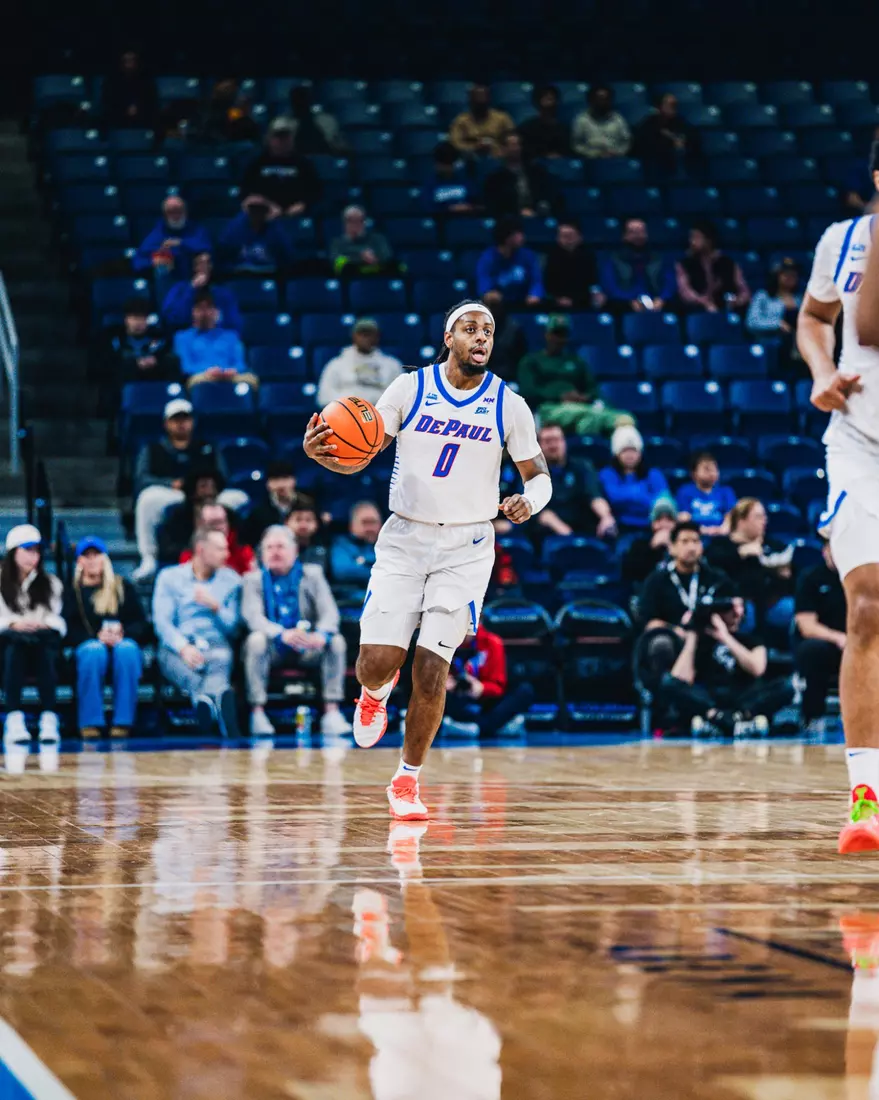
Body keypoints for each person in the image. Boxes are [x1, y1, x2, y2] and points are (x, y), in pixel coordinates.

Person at [303, 298, 550, 821]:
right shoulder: (409, 388)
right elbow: (360, 452)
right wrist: (323, 455)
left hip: (468, 548)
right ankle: (374, 692)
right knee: (376, 662)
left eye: (487, 330)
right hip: (405, 540)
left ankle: (407, 779)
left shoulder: (509, 404)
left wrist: (531, 500)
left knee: (434, 666)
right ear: (448, 338)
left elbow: (539, 474)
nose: (481, 337)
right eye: (469, 328)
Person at [799, 147, 879, 850]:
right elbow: (812, 318)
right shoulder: (844, 239)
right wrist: (822, 370)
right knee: (865, 603)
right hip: (857, 440)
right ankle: (865, 799)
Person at [242, 525, 351, 737]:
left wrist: (320, 635)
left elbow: (330, 613)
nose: (275, 552)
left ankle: (332, 712)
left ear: (295, 551)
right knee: (256, 640)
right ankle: (257, 712)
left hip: (308, 644)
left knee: (336, 641)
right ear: (262, 553)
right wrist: (281, 633)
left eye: (280, 547)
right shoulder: (252, 579)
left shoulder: (313, 574)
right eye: (269, 547)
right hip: (273, 645)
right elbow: (253, 617)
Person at [132, 398, 247, 580]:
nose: (181, 424)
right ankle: (149, 558)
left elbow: (223, 475)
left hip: (209, 494)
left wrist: (210, 486)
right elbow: (142, 479)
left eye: (185, 419)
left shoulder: (207, 447)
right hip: (172, 494)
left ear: (193, 421)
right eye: (176, 420)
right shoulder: (153, 449)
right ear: (166, 423)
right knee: (147, 498)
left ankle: (233, 552)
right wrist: (170, 483)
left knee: (238, 498)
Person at [661, 593, 793, 736]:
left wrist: (725, 637)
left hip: (745, 698)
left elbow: (757, 669)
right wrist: (692, 635)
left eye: (740, 608)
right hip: (711, 699)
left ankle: (730, 719)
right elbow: (680, 679)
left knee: (786, 686)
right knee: (668, 683)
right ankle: (723, 718)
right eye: (731, 609)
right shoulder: (702, 640)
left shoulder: (752, 639)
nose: (737, 614)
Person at [153, 529, 242, 737]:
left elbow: (234, 627)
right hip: (177, 644)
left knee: (220, 660)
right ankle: (217, 701)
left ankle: (204, 703)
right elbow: (162, 622)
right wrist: (183, 647)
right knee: (174, 661)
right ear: (201, 550)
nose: (227, 554)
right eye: (220, 549)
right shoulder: (169, 577)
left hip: (216, 642)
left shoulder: (232, 580)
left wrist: (216, 607)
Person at [62, 537, 147, 739]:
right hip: (88, 646)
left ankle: (123, 722)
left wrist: (122, 633)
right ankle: (90, 722)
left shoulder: (122, 586)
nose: (92, 560)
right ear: (79, 561)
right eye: (86, 556)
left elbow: (141, 623)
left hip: (120, 642)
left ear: (105, 558)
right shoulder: (71, 592)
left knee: (127, 650)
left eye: (96, 555)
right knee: (93, 650)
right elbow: (67, 628)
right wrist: (96, 637)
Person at [637, 519, 733, 690]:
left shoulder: (716, 578)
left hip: (710, 636)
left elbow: (733, 610)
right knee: (661, 644)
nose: (691, 547)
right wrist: (679, 632)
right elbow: (650, 622)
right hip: (675, 638)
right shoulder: (657, 580)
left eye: (696, 541)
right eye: (685, 542)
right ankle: (665, 698)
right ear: (672, 548)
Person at [0, 525, 65, 744]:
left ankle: (49, 716)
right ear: (13, 552)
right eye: (27, 550)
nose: (33, 556)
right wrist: (13, 623)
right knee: (15, 643)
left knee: (42, 644)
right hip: (7, 647)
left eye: (36, 551)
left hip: (41, 645)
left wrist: (41, 623)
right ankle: (14, 717)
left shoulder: (51, 583)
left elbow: (58, 618)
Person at [517, 315, 634, 436]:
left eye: (563, 335)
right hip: (549, 408)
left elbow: (593, 389)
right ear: (547, 335)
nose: (559, 339)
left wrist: (584, 397)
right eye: (556, 334)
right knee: (591, 415)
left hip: (581, 407)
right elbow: (528, 392)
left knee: (623, 420)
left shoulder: (576, 361)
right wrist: (560, 396)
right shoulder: (532, 361)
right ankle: (612, 424)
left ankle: (591, 444)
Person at [706, 498, 794, 634]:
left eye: (764, 516)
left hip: (771, 602)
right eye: (758, 517)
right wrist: (741, 553)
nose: (764, 521)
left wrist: (784, 574)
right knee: (748, 612)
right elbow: (712, 565)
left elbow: (788, 569)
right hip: (738, 603)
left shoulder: (771, 544)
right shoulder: (721, 545)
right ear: (741, 520)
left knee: (793, 608)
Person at [441, 623, 535, 738]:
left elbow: (498, 687)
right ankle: (498, 727)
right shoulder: (444, 642)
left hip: (487, 699)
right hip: (459, 700)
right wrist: (446, 683)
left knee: (525, 691)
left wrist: (481, 688)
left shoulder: (492, 642)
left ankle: (471, 728)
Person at [795, 541, 847, 729]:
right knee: (813, 650)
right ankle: (813, 716)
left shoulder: (860, 578)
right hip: (828, 643)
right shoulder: (811, 578)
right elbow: (806, 626)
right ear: (825, 551)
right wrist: (839, 638)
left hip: (860, 643)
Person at [532, 424, 616, 537]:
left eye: (556, 440)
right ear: (539, 446)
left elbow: (595, 496)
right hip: (551, 531)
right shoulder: (532, 472)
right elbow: (539, 511)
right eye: (547, 441)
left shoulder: (582, 466)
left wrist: (606, 517)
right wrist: (566, 533)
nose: (553, 445)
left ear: (564, 442)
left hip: (583, 526)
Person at [172, 290, 258, 390]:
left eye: (209, 308)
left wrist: (230, 371)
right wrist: (208, 371)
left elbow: (240, 363)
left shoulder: (231, 336)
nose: (204, 313)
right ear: (193, 312)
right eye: (200, 308)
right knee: (195, 381)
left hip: (230, 376)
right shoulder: (182, 337)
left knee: (252, 379)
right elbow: (186, 366)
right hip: (202, 377)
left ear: (217, 311)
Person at [317, 317, 405, 409]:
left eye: (369, 334)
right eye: (361, 334)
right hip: (345, 415)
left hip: (380, 413)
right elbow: (323, 397)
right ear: (354, 336)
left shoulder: (392, 365)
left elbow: (400, 397)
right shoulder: (336, 365)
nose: (365, 338)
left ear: (377, 336)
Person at [239, 119, 322, 217]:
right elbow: (246, 191)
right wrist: (265, 205)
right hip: (264, 215)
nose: (282, 141)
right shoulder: (257, 163)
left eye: (286, 137)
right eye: (278, 137)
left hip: (296, 216)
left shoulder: (303, 164)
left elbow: (315, 192)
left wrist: (304, 204)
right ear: (269, 138)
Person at [598, 426, 671, 531]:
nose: (630, 455)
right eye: (625, 450)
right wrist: (642, 495)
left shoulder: (654, 474)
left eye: (633, 450)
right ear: (616, 453)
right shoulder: (607, 474)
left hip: (651, 526)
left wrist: (628, 495)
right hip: (620, 526)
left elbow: (664, 501)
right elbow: (613, 498)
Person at [103, 298, 178, 399]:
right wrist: (135, 363)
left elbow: (166, 357)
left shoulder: (159, 339)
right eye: (134, 318)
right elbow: (109, 365)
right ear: (126, 320)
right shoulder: (115, 340)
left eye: (142, 318)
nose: (138, 323)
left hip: (154, 379)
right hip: (124, 385)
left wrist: (156, 360)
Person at [600, 218, 676, 314]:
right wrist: (630, 300)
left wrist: (662, 299)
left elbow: (669, 282)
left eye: (641, 232)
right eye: (633, 232)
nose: (638, 236)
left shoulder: (659, 259)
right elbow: (611, 287)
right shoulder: (613, 260)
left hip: (656, 303)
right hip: (624, 304)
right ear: (625, 236)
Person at [132, 196, 211, 286]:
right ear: (165, 214)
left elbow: (207, 249)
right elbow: (138, 263)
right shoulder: (156, 234)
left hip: (194, 280)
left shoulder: (197, 230)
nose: (176, 215)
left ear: (185, 212)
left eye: (179, 211)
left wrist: (181, 243)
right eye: (171, 212)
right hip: (167, 282)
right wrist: (154, 261)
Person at [676, 220, 751, 313]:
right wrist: (704, 302)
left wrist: (737, 301)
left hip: (727, 310)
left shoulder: (729, 263)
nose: (692, 242)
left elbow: (744, 291)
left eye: (697, 237)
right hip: (698, 311)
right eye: (691, 237)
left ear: (708, 240)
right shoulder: (685, 264)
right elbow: (685, 292)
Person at [160, 252, 243, 334]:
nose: (204, 267)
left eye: (207, 263)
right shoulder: (179, 289)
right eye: (200, 263)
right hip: (188, 340)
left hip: (218, 340)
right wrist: (191, 289)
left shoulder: (224, 293)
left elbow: (235, 324)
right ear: (193, 267)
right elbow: (172, 319)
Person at [483, 131, 557, 220]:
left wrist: (537, 209)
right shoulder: (495, 177)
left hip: (537, 216)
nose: (516, 148)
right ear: (503, 149)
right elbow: (494, 205)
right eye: (512, 145)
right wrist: (517, 212)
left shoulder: (536, 172)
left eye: (518, 145)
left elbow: (548, 195)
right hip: (508, 220)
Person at [746, 257, 803, 371]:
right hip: (772, 348)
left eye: (793, 274)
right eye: (785, 274)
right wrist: (777, 324)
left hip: (799, 350)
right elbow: (751, 322)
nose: (790, 277)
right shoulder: (763, 297)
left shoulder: (801, 299)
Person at [475, 220, 544, 307]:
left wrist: (535, 294)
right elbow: (484, 284)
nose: (522, 237)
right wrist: (489, 293)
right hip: (498, 306)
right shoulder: (488, 257)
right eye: (518, 234)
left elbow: (536, 280)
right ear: (507, 237)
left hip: (523, 304)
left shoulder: (528, 255)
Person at [633, 92, 703, 178]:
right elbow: (644, 145)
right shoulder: (648, 124)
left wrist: (684, 142)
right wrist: (670, 143)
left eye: (675, 105)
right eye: (670, 105)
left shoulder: (680, 122)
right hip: (657, 164)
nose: (674, 107)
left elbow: (694, 137)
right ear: (659, 107)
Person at [217, 201, 295, 275]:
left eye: (260, 210)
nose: (256, 214)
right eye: (253, 210)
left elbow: (287, 256)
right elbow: (223, 253)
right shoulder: (236, 227)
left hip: (269, 274)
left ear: (266, 212)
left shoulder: (275, 229)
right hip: (240, 274)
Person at [179, 501, 256, 575]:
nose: (218, 527)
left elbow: (250, 579)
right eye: (212, 523)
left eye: (221, 522)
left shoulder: (243, 551)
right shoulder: (190, 554)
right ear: (200, 525)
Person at [271, 84, 346, 155]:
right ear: (292, 101)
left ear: (310, 101)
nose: (301, 103)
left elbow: (340, 147)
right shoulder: (280, 124)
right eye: (297, 100)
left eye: (304, 99)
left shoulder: (328, 121)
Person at [544, 222, 603, 311]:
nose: (568, 239)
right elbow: (547, 284)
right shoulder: (551, 257)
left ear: (580, 237)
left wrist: (596, 294)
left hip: (584, 300)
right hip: (558, 302)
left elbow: (593, 281)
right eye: (564, 236)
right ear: (558, 239)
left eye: (571, 235)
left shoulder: (588, 256)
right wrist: (557, 299)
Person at [675, 450, 737, 535]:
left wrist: (723, 529)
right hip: (694, 533)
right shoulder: (685, 491)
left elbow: (730, 516)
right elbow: (683, 517)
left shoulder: (726, 491)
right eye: (706, 469)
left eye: (715, 469)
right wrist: (702, 529)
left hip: (721, 535)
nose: (712, 473)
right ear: (694, 473)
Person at [241, 461, 300, 546]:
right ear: (267, 484)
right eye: (275, 479)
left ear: (294, 480)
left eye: (285, 478)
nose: (281, 484)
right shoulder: (258, 513)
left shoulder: (307, 506)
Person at [622, 499, 678, 587]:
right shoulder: (639, 544)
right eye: (659, 519)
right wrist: (652, 548)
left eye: (669, 520)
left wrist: (672, 549)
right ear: (652, 523)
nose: (664, 524)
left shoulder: (682, 545)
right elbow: (630, 574)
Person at [448, 85, 514, 158]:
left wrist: (499, 149)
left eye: (483, 102)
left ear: (489, 101)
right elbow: (455, 143)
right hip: (470, 158)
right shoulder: (461, 120)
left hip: (498, 158)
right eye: (477, 102)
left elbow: (512, 139)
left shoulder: (502, 118)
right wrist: (475, 146)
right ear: (471, 102)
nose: (480, 105)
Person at [329, 206, 395, 277]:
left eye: (359, 220)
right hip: (352, 279)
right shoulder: (337, 243)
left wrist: (375, 259)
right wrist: (360, 257)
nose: (355, 224)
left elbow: (388, 258)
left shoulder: (378, 239)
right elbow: (337, 263)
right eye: (351, 220)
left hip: (377, 277)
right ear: (344, 223)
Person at [571, 85, 632, 160]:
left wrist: (617, 153)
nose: (602, 102)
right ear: (591, 100)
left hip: (614, 158)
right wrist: (593, 154)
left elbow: (626, 141)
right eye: (599, 99)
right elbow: (576, 144)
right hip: (590, 160)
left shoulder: (618, 119)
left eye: (606, 99)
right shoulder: (582, 119)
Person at [101, 49, 157, 130]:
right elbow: (108, 101)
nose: (129, 63)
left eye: (132, 60)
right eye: (126, 60)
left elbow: (151, 101)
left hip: (143, 117)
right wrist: (124, 110)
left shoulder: (146, 80)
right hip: (117, 117)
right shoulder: (111, 80)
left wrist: (138, 109)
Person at [330, 502, 382, 587]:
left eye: (373, 522)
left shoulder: (388, 546)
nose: (370, 528)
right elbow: (342, 572)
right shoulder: (341, 544)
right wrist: (381, 570)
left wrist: (365, 560)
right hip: (351, 598)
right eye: (365, 523)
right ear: (352, 525)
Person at [196, 78, 261, 144]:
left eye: (229, 88)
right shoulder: (205, 110)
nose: (226, 91)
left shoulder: (238, 112)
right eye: (224, 88)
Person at [422, 141, 477, 216]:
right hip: (440, 223)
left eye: (448, 164)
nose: (445, 168)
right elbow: (427, 207)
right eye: (443, 164)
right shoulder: (429, 184)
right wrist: (449, 208)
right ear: (436, 164)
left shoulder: (465, 181)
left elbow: (476, 203)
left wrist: (469, 207)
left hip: (465, 221)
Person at [517, 84, 569, 161]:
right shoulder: (526, 128)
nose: (549, 98)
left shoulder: (563, 129)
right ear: (538, 100)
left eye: (552, 96)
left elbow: (567, 151)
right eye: (545, 95)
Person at [286, 502, 328, 572]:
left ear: (316, 524)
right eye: (298, 519)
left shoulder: (324, 549)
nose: (303, 525)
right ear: (286, 523)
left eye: (308, 520)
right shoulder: (275, 547)